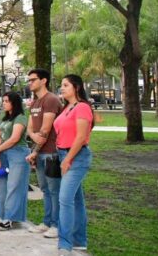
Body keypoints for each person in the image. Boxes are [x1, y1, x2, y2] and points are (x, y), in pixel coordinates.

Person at [55, 75, 94, 255]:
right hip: (64, 153)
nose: (62, 88)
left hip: (76, 157)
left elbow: (80, 137)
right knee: (76, 200)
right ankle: (80, 241)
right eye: (61, 85)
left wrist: (68, 159)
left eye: (65, 85)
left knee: (64, 199)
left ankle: (65, 244)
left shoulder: (83, 107)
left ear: (76, 87)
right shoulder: (66, 108)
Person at [24, 68, 63, 238]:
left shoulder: (51, 100)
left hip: (51, 153)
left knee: (54, 191)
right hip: (39, 153)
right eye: (29, 80)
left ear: (43, 80)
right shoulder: (35, 103)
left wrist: (35, 149)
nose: (30, 83)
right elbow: (31, 129)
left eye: (33, 80)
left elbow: (45, 130)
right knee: (45, 190)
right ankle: (46, 222)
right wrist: (34, 146)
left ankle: (56, 225)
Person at [0, 92, 30, 231]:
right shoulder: (5, 118)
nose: (4, 103)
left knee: (14, 186)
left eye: (7, 101)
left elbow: (14, 138)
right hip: (3, 153)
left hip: (18, 154)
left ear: (14, 102)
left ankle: (9, 217)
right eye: (3, 101)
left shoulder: (20, 118)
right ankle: (5, 215)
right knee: (2, 186)